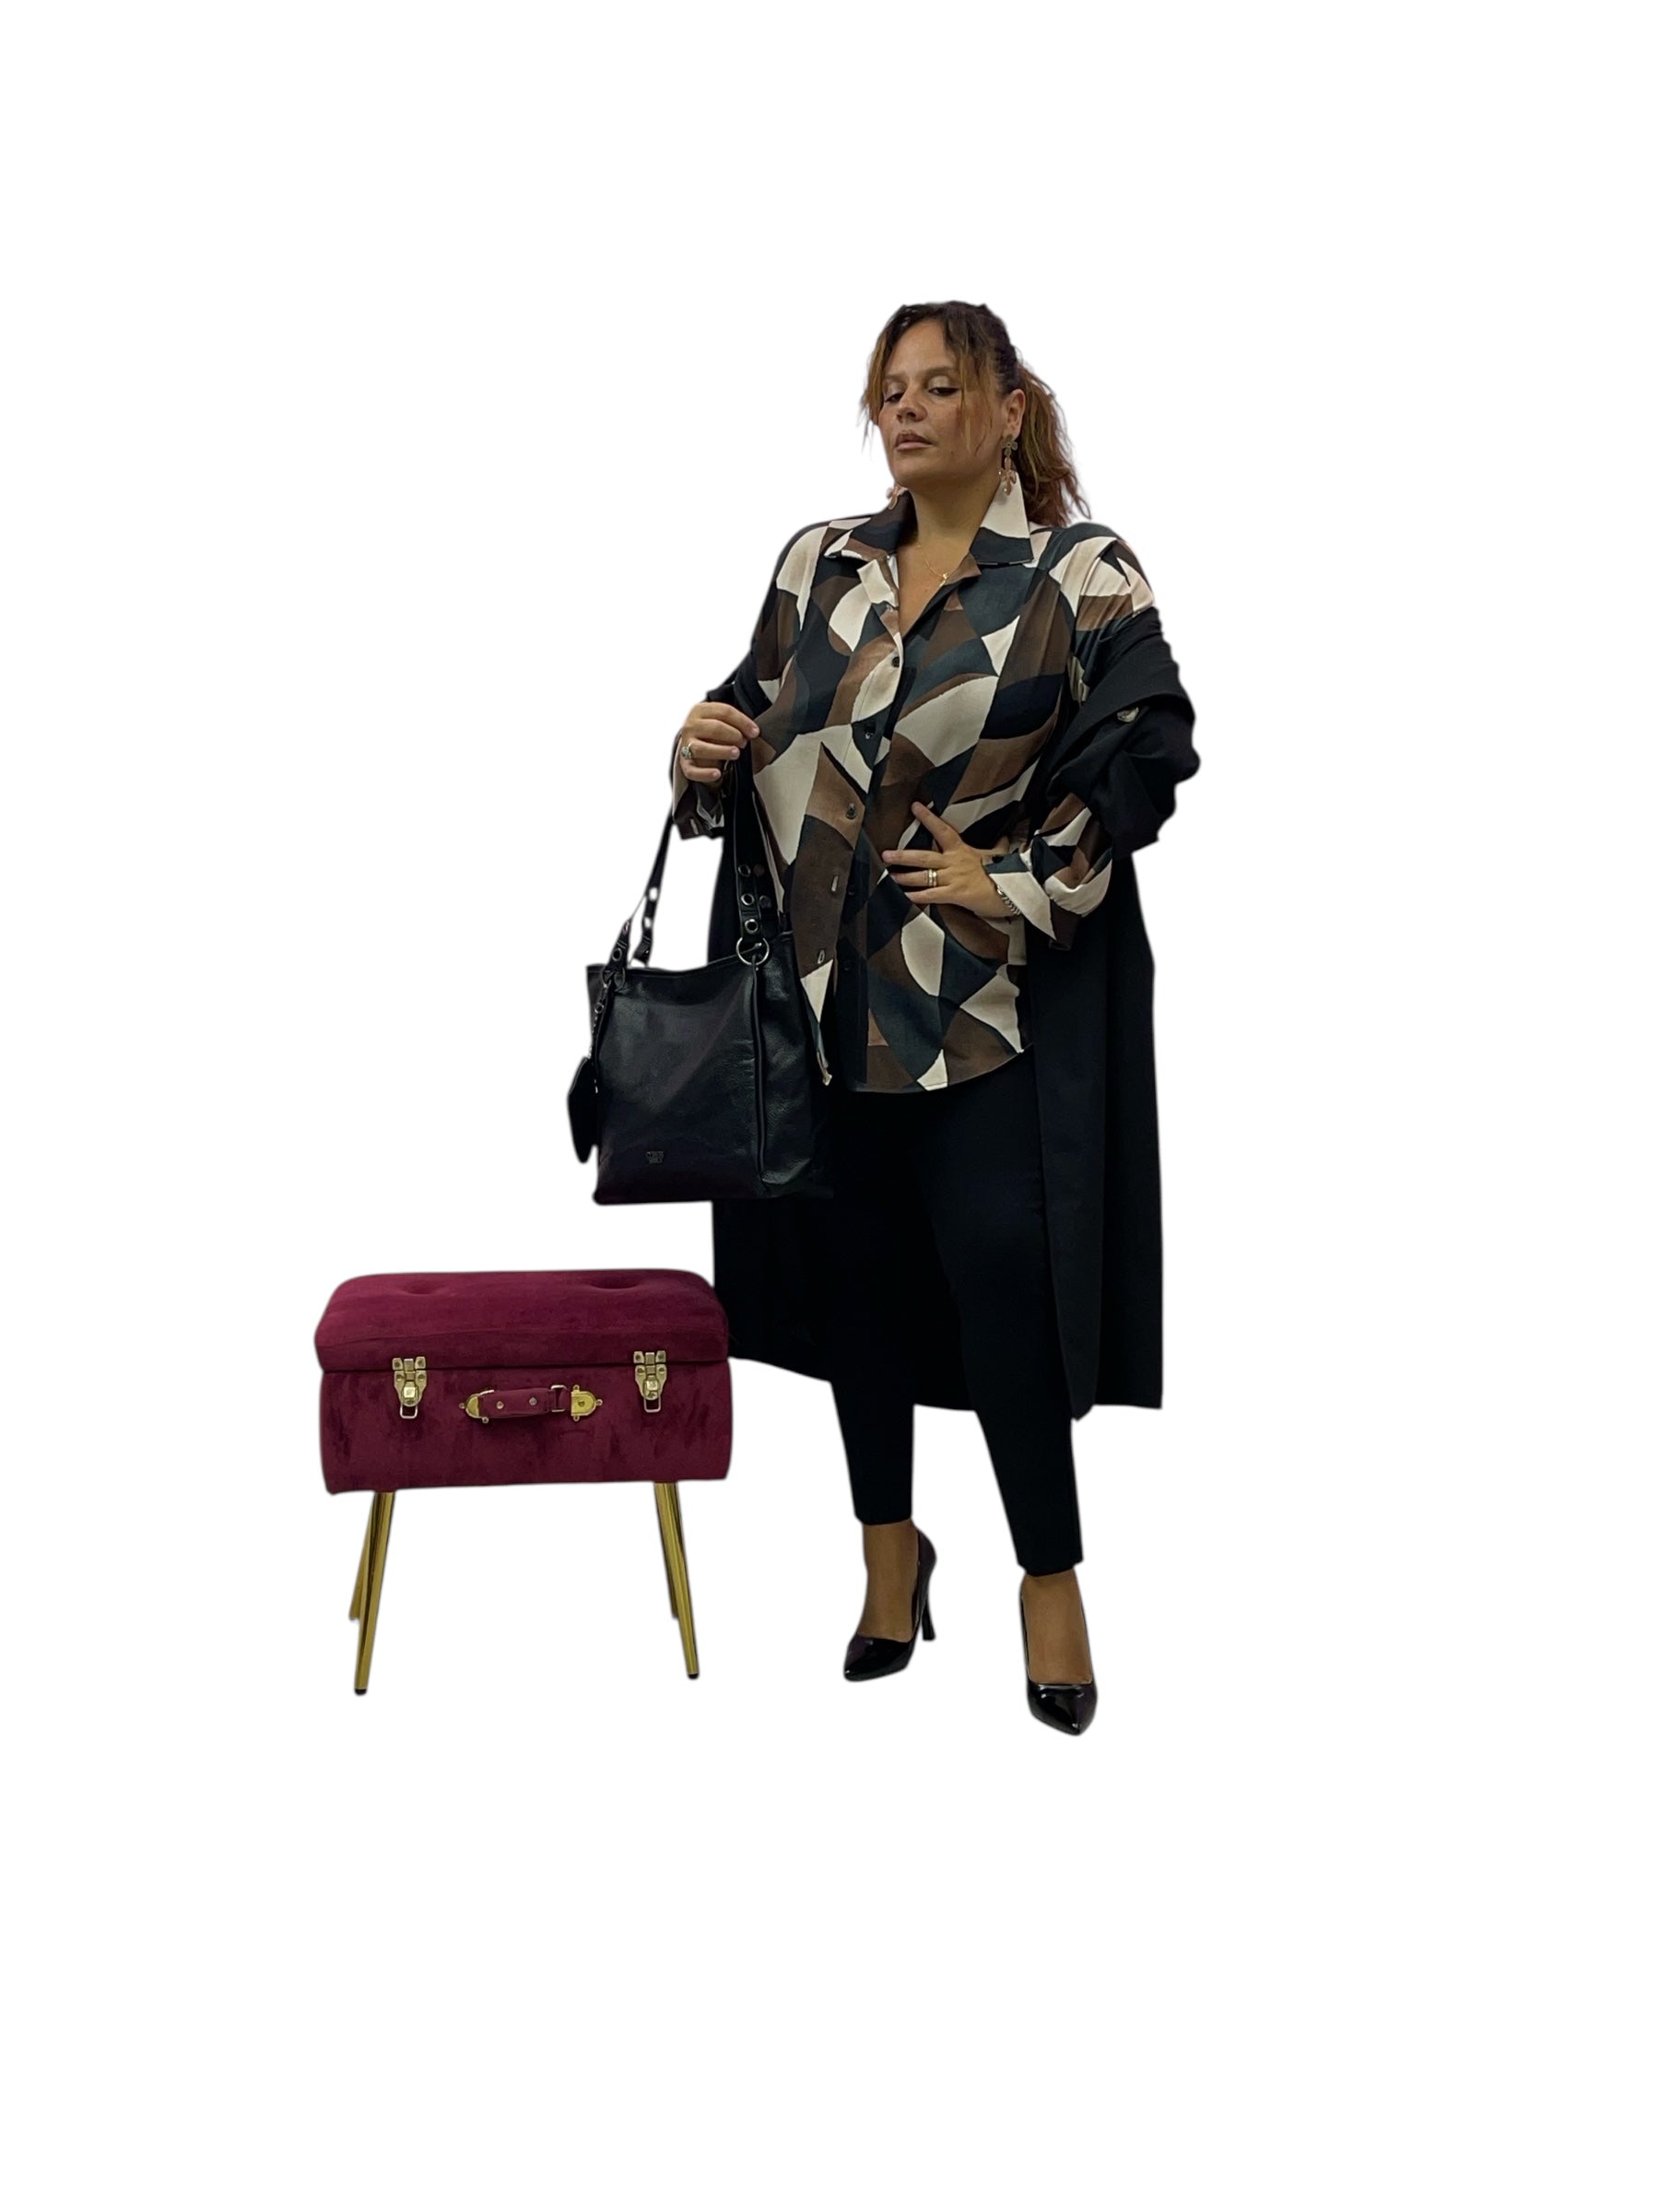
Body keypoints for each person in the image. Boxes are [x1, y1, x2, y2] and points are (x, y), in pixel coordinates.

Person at [668, 300, 1198, 1735]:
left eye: (936, 386)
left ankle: (1050, 1578)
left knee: (1004, 1282)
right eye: (888, 389)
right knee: (857, 1288)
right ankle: (889, 1558)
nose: (902, 410)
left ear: (1006, 407)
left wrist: (1010, 875)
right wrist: (700, 748)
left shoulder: (1079, 575)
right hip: (817, 1008)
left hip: (979, 1011)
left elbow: (1146, 748)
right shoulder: (818, 565)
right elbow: (751, 722)